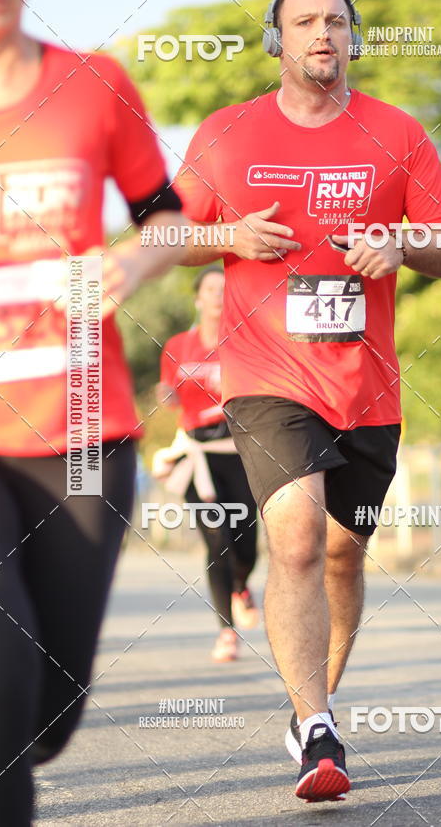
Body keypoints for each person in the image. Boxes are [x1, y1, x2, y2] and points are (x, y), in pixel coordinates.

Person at [173, 0, 441, 801]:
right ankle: (316, 731)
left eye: (335, 22)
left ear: (353, 36)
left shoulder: (397, 133)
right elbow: (169, 232)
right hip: (268, 373)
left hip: (367, 384)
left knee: (344, 553)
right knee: (298, 536)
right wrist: (233, 231)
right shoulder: (227, 134)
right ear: (277, 39)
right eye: (304, 22)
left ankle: (320, 701)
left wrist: (402, 245)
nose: (321, 36)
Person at [0, 0, 190, 822]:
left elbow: (169, 221)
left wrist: (136, 264)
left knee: (50, 706)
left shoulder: (96, 83)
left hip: (80, 428)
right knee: (1, 684)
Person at [156, 266, 259, 662]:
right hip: (197, 453)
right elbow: (171, 396)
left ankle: (241, 584)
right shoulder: (177, 346)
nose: (218, 295)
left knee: (247, 541)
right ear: (198, 298)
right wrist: (165, 395)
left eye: (225, 289)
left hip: (239, 450)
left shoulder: (246, 341)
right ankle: (226, 632)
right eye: (211, 289)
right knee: (216, 537)